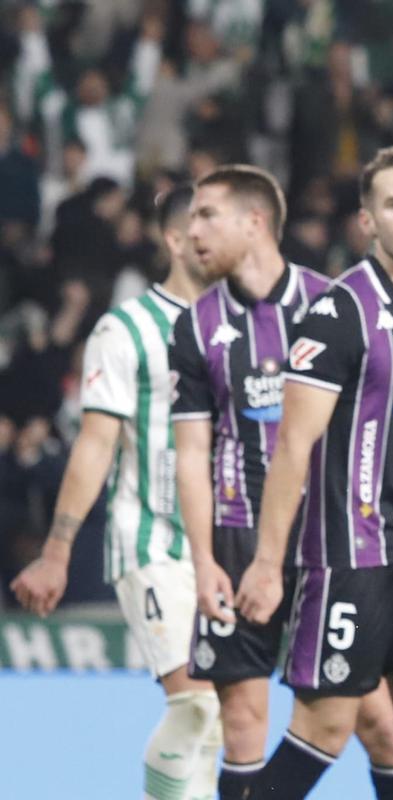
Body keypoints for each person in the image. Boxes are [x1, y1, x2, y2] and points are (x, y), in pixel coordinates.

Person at [234, 146, 393, 799]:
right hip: (347, 558)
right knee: (325, 728)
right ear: (368, 223)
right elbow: (293, 444)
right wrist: (268, 565)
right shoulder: (338, 311)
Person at [169, 165, 393, 799]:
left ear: (255, 222)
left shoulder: (331, 304)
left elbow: (375, 431)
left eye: (205, 215)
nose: (191, 232)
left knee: (378, 721)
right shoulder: (194, 327)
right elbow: (191, 452)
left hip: (329, 545)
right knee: (242, 722)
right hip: (240, 542)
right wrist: (204, 561)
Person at [10, 185, 224, 800]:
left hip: (225, 547)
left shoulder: (246, 330)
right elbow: (95, 445)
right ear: (175, 239)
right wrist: (57, 551)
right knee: (196, 707)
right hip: (151, 539)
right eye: (207, 222)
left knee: (223, 725)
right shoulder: (126, 328)